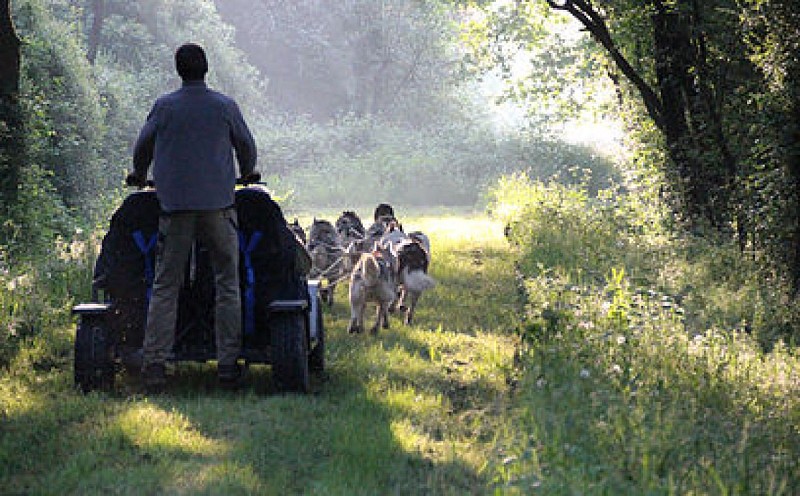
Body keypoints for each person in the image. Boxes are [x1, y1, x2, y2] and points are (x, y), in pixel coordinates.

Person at [126, 43, 259, 392]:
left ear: (178, 69)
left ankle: (155, 364)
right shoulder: (224, 106)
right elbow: (245, 144)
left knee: (165, 285)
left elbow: (143, 145)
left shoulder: (164, 106)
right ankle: (228, 366)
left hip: (175, 208)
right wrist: (248, 171)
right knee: (228, 283)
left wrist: (139, 173)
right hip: (218, 206)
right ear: (206, 68)